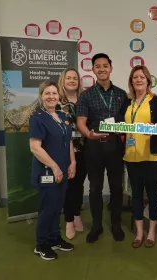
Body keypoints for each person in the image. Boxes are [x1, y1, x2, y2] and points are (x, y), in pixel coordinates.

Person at [76, 53, 127, 243]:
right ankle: (96, 226)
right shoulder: (86, 95)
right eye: (98, 66)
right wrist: (89, 134)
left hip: (115, 147)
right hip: (94, 147)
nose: (102, 69)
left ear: (111, 68)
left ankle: (116, 224)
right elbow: (81, 122)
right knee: (95, 188)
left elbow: (127, 122)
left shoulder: (122, 94)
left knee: (116, 188)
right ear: (93, 69)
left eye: (105, 65)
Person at [122, 65, 157, 248]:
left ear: (148, 80)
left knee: (152, 194)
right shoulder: (127, 102)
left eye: (142, 77)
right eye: (135, 77)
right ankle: (139, 232)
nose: (138, 80)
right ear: (131, 81)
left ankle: (152, 231)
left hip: (151, 156)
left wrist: (154, 125)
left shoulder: (156, 101)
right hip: (131, 155)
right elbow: (118, 123)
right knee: (135, 195)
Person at [29, 81, 75, 261]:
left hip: (63, 171)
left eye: (54, 93)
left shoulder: (63, 117)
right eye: (47, 93)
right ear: (41, 96)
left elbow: (69, 142)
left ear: (59, 96)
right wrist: (55, 167)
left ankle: (54, 238)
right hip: (47, 173)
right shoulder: (38, 118)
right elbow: (35, 147)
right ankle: (41, 244)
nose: (51, 96)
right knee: (47, 209)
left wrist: (72, 162)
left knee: (57, 207)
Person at [56, 68, 86, 240]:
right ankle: (68, 220)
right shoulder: (58, 101)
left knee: (80, 184)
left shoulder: (84, 99)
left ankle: (77, 215)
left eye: (75, 78)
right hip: (65, 150)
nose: (72, 81)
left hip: (84, 148)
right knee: (69, 186)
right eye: (69, 78)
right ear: (63, 80)